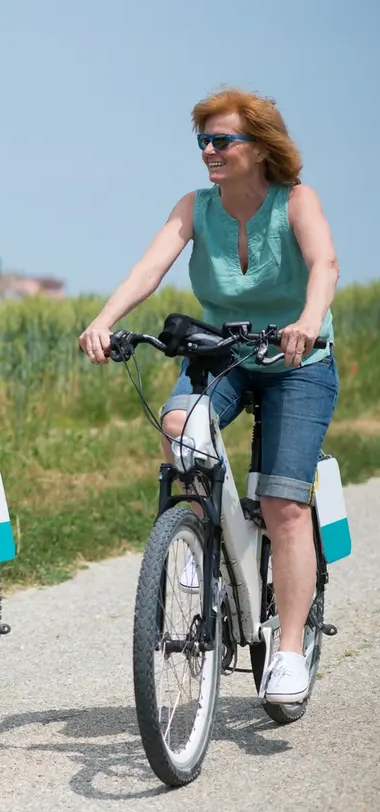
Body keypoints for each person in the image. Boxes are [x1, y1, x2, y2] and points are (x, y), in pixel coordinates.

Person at [77, 87, 340, 706]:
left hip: (297, 359)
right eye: (203, 142)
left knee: (283, 505)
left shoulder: (295, 201)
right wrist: (104, 320)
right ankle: (198, 535)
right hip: (224, 354)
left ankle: (290, 651)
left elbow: (323, 263)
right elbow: (150, 269)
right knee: (180, 429)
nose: (210, 152)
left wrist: (308, 317)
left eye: (222, 141)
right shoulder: (195, 207)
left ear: (260, 147)